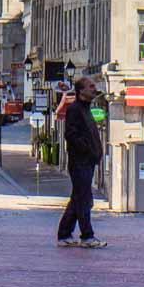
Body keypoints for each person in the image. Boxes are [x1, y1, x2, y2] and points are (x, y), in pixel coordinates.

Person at [56, 76, 107, 248]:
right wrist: (87, 150)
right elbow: (70, 134)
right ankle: (87, 236)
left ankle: (64, 234)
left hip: (87, 161)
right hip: (80, 162)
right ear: (81, 91)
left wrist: (95, 152)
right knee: (84, 200)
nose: (94, 89)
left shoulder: (85, 109)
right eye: (90, 86)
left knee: (78, 198)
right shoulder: (76, 109)